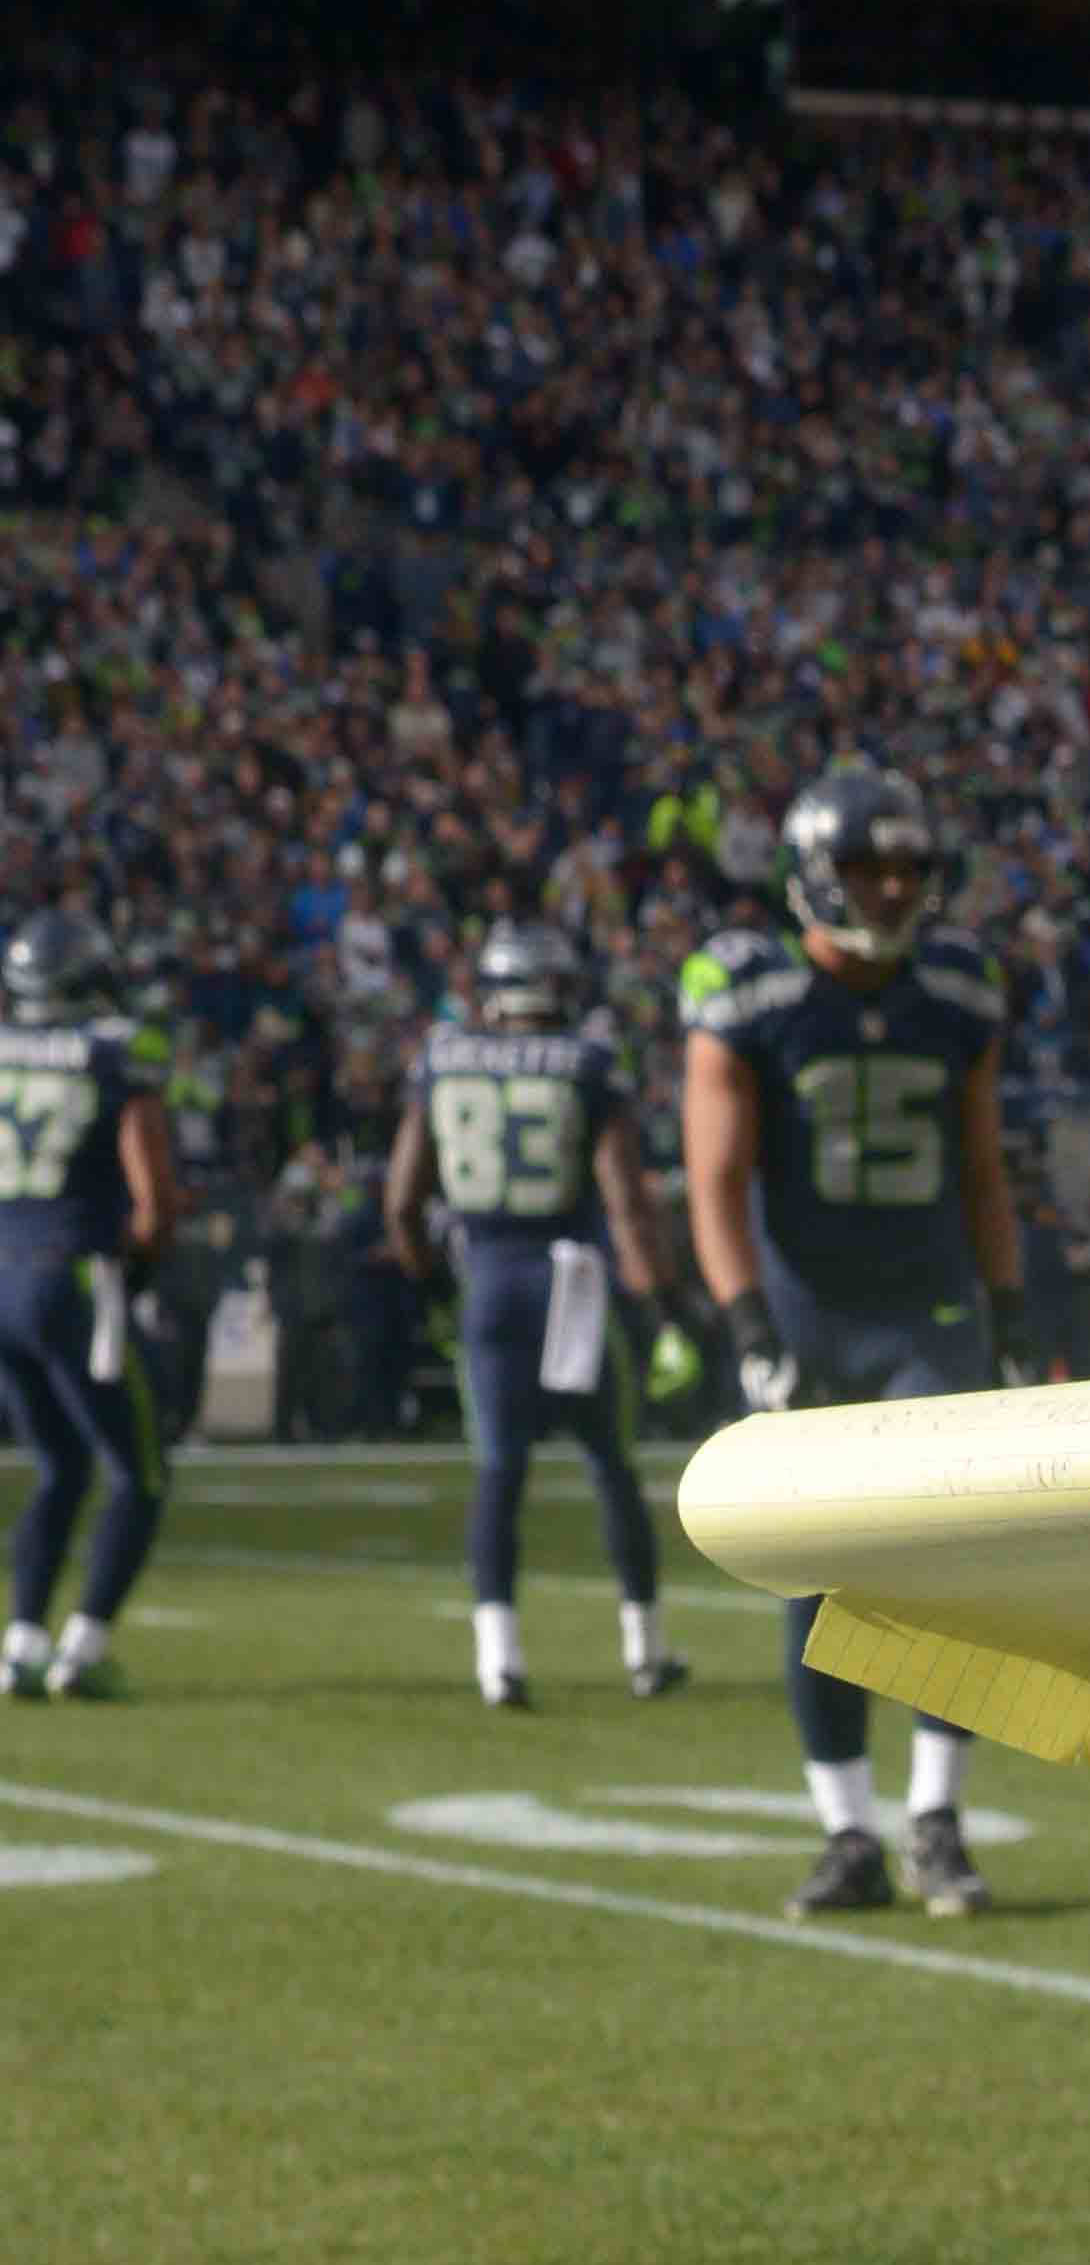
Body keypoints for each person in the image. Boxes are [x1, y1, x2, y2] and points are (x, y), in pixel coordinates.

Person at [684, 761, 1020, 1916]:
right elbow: (714, 1176)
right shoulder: (746, 991)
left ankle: (934, 1817)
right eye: (868, 867)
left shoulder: (960, 988)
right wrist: (743, 1322)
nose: (889, 889)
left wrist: (1009, 1308)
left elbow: (983, 1167)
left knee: (952, 1564)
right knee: (817, 1578)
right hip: (808, 1312)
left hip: (927, 1305)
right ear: (812, 875)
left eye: (906, 867)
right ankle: (846, 1833)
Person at [382, 915, 686, 1710]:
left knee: (498, 1473)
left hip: (487, 1279)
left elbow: (401, 1204)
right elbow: (625, 1201)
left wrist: (439, 1293)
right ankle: (645, 1649)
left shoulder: (444, 1060)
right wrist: (659, 1308)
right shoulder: (586, 1062)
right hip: (571, 1283)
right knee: (611, 1466)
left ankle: (499, 1658)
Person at [0, 914, 177, 1701]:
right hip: (68, 1272)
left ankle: (21, 1641)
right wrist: (130, 1275)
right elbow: (155, 1203)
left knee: (59, 1466)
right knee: (138, 1472)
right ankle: (82, 1647)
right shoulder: (114, 1052)